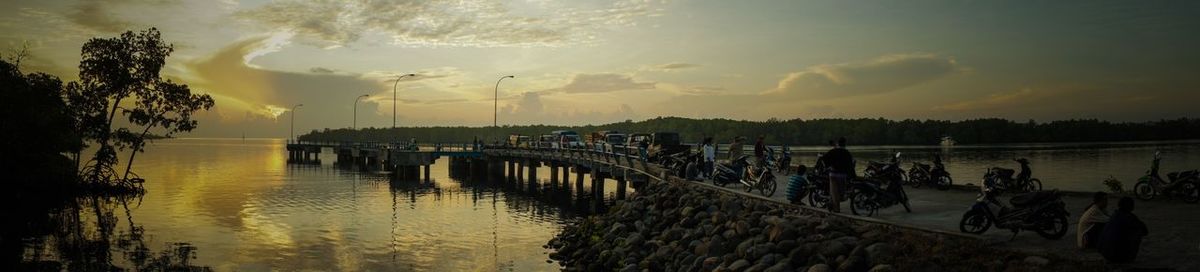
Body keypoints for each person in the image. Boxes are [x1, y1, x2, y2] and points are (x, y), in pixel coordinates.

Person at [1098, 197, 1148, 263]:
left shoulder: (1114, 215)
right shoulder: (1129, 217)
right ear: (1131, 207)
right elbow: (1145, 231)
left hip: (1104, 253)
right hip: (1117, 257)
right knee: (1138, 232)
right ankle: (1128, 258)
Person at [822, 137, 854, 213]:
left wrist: (828, 166)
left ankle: (834, 207)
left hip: (833, 174)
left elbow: (823, 159)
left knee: (834, 192)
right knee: (841, 194)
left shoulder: (833, 151)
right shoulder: (847, 153)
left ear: (838, 143)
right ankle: (836, 209)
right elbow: (850, 165)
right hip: (842, 175)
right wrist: (852, 176)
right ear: (845, 143)